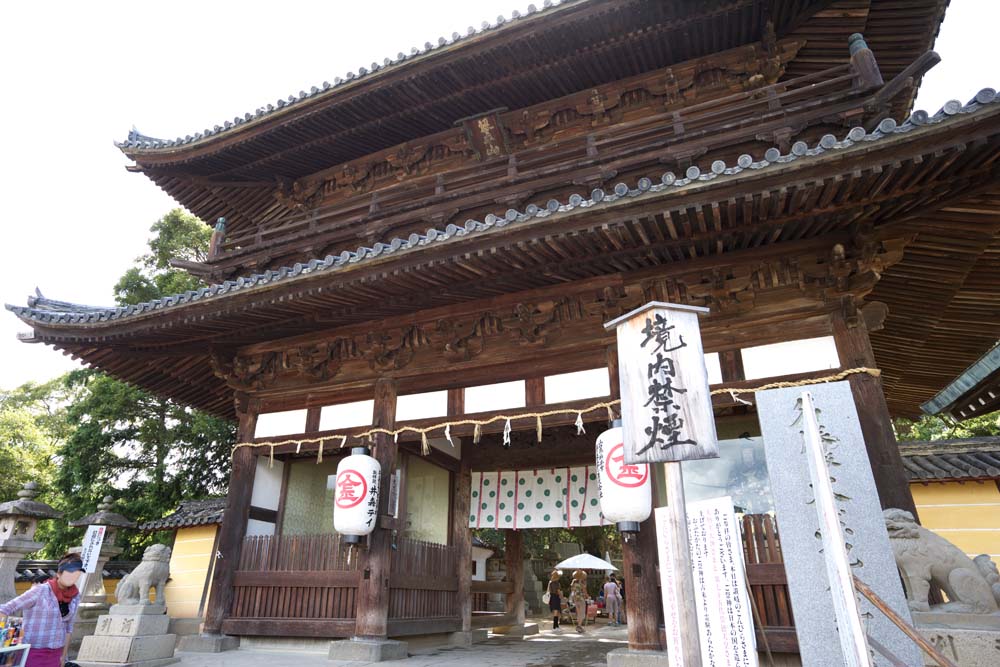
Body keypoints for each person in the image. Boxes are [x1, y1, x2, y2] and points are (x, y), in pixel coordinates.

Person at [0, 553, 83, 667]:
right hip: (32, 652)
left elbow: (69, 628)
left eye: (77, 574)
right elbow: (6, 608)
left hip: (56, 654)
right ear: (59, 573)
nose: (73, 577)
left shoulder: (75, 595)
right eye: (69, 573)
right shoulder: (40, 591)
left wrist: (63, 657)